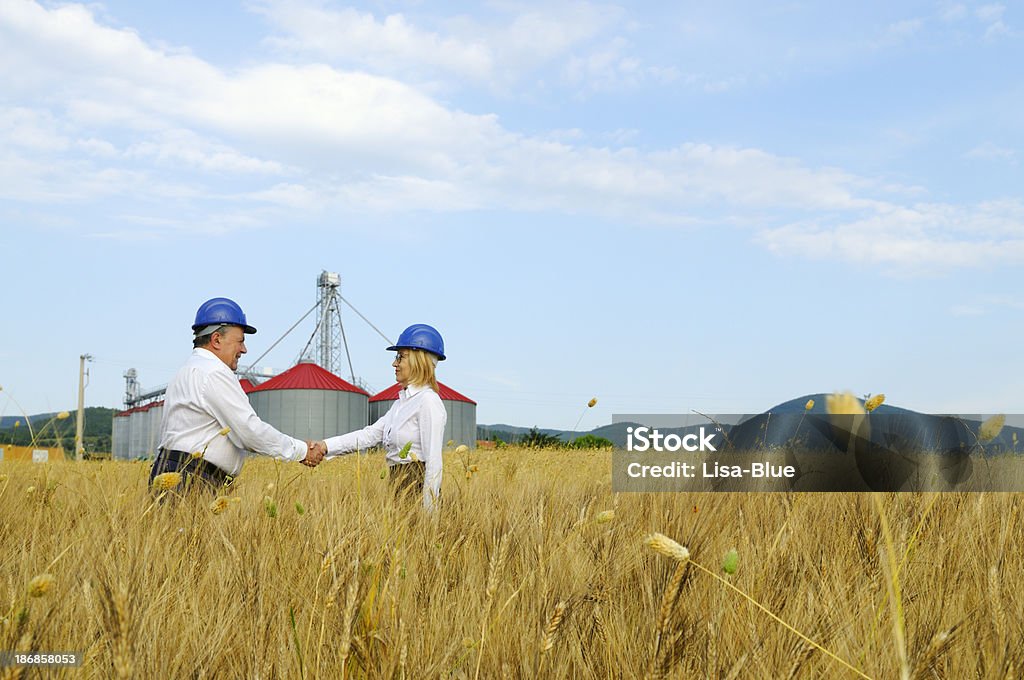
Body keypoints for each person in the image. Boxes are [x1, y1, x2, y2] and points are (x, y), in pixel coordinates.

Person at [150, 297, 325, 492]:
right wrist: (301, 451)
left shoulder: (186, 371)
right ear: (216, 339)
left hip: (175, 474)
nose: (244, 349)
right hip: (192, 480)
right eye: (240, 341)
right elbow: (249, 431)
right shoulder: (214, 372)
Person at [316, 324, 447, 511]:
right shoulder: (400, 404)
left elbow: (433, 463)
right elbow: (368, 435)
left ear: (420, 360)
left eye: (400, 357)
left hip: (416, 490)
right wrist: (324, 446)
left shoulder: (428, 401)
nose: (394, 363)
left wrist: (429, 515)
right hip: (397, 489)